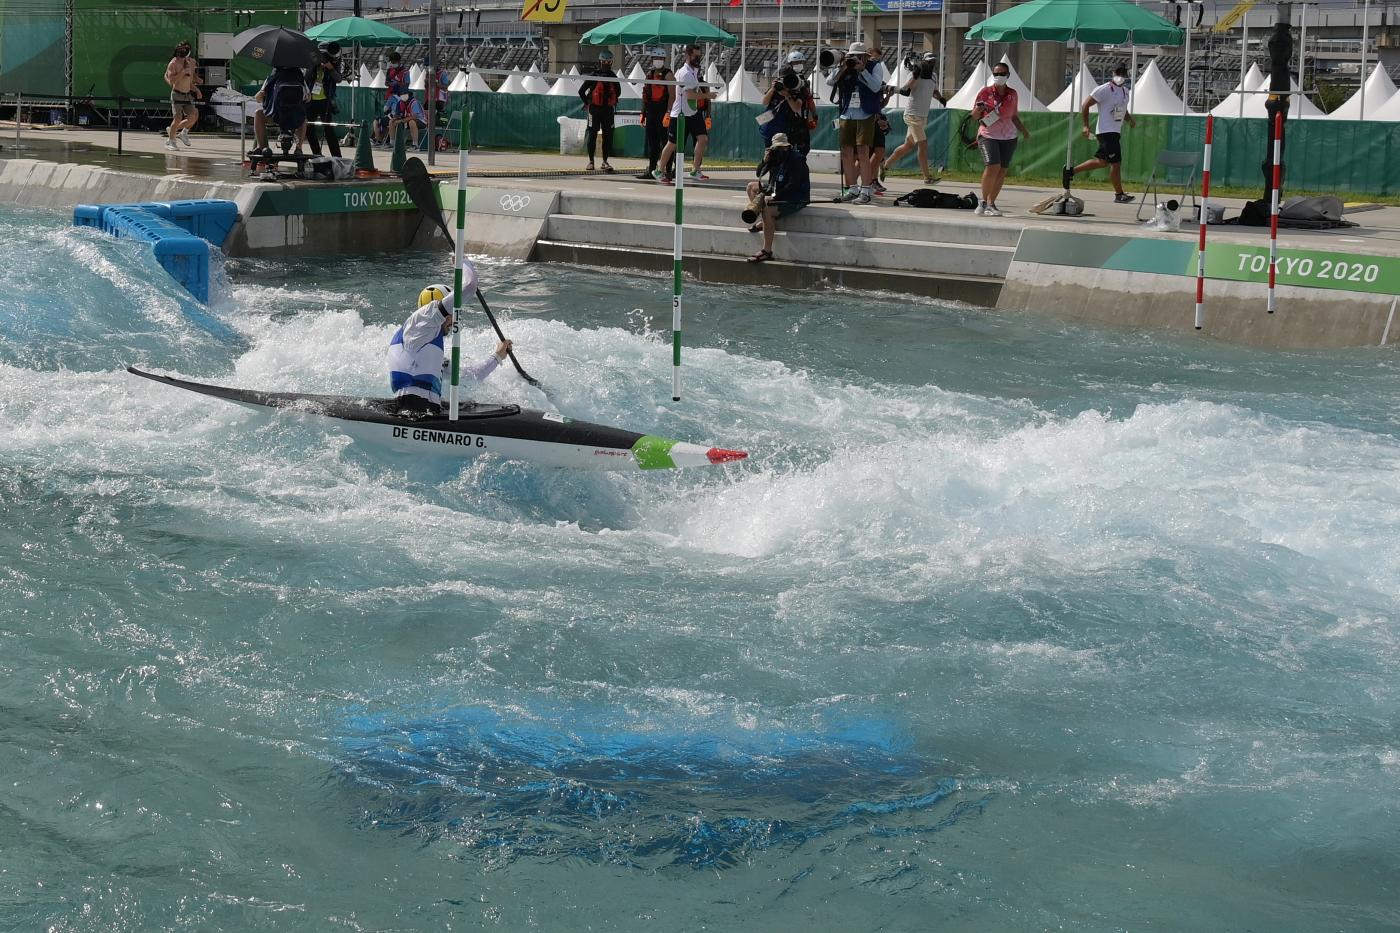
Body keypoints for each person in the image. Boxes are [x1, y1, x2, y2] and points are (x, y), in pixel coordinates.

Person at [388, 274, 513, 416]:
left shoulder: (427, 350)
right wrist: (464, 263)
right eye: (452, 313)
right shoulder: (415, 329)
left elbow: (471, 376)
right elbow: (470, 285)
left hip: (428, 411)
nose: (454, 321)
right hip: (411, 412)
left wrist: (497, 356)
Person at [1067, 64, 1137, 203]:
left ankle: (1070, 171)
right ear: (1113, 73)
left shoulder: (1125, 91)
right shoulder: (1104, 89)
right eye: (1118, 73)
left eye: (1123, 73)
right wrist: (1085, 126)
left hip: (1115, 131)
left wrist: (1130, 120)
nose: (1120, 76)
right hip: (1106, 131)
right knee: (1116, 163)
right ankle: (1119, 194)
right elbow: (1085, 105)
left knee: (1103, 162)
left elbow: (1123, 110)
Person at [825, 41, 884, 204]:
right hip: (847, 113)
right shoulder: (846, 66)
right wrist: (843, 67)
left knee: (863, 152)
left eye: (859, 56)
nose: (856, 59)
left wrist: (862, 70)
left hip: (865, 113)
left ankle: (865, 190)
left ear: (865, 56)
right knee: (846, 152)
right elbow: (829, 81)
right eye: (853, 56)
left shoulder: (874, 66)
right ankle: (852, 188)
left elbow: (876, 87)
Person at [971, 61, 1030, 217]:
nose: (999, 76)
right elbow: (974, 116)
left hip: (1009, 136)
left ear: (1008, 75)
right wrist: (979, 109)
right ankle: (983, 201)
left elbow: (1014, 116)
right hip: (988, 134)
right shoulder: (985, 92)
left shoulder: (1013, 94)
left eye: (1002, 74)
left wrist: (1024, 131)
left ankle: (991, 203)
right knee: (993, 166)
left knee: (1002, 170)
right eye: (996, 74)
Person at [744, 133, 810, 264]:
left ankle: (766, 251)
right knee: (751, 187)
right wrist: (765, 161)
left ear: (787, 146)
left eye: (782, 147)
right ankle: (766, 222)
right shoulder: (774, 157)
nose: (780, 150)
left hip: (795, 196)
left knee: (767, 210)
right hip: (777, 189)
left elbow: (793, 185)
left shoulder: (797, 159)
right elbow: (759, 173)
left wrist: (774, 197)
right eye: (777, 148)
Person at [882, 52, 945, 185]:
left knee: (908, 146)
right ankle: (927, 177)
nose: (932, 64)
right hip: (912, 115)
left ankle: (885, 165)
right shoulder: (914, 74)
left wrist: (940, 98)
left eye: (933, 61)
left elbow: (934, 91)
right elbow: (905, 90)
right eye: (929, 61)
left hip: (922, 116)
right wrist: (915, 75)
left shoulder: (933, 76)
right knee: (923, 145)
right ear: (924, 62)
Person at [655, 44, 714, 184]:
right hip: (680, 114)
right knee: (672, 144)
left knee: (703, 139)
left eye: (699, 56)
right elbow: (690, 95)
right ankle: (659, 170)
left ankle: (695, 169)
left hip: (692, 112)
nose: (697, 59)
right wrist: (708, 95)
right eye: (695, 56)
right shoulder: (685, 73)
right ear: (687, 56)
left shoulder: (694, 71)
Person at [760, 51, 817, 154]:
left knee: (786, 151)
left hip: (787, 125)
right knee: (770, 151)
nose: (785, 82)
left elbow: (797, 107)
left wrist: (787, 95)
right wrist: (773, 88)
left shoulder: (798, 86)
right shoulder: (777, 86)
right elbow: (764, 102)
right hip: (770, 125)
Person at [250, 65, 308, 156]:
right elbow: (308, 98)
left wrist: (263, 93)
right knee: (303, 118)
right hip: (294, 116)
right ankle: (299, 148)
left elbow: (258, 99)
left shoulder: (271, 79)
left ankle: (262, 147)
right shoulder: (300, 79)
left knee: (258, 114)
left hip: (275, 115)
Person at [578, 50, 620, 172]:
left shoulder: (613, 77)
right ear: (599, 61)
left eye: (608, 62)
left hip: (608, 110)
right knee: (592, 134)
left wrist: (610, 100)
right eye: (604, 61)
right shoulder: (593, 75)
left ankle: (605, 162)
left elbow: (618, 92)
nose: (606, 64)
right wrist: (588, 102)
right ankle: (591, 161)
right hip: (594, 109)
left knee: (608, 136)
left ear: (611, 62)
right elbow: (581, 91)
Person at [637, 49, 675, 179]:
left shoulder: (668, 74)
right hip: (651, 111)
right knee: (652, 144)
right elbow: (645, 95)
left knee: (666, 143)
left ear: (664, 60)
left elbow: (672, 96)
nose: (657, 61)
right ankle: (652, 170)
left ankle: (668, 171)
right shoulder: (649, 74)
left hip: (663, 111)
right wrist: (642, 113)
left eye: (660, 59)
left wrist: (668, 113)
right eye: (655, 58)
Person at [304, 42, 342, 158]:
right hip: (311, 100)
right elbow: (306, 77)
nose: (323, 58)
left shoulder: (334, 64)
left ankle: (337, 156)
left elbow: (338, 79)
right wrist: (314, 65)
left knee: (328, 129)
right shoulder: (312, 63)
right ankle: (317, 154)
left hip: (325, 100)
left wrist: (330, 68)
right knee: (309, 128)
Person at [163, 40, 201, 152]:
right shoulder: (173, 63)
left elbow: (189, 80)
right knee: (178, 117)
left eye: (186, 49)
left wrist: (196, 88)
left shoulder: (190, 62)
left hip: (187, 94)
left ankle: (176, 131)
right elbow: (171, 80)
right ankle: (171, 141)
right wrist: (182, 72)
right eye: (182, 49)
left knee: (193, 116)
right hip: (177, 94)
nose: (184, 51)